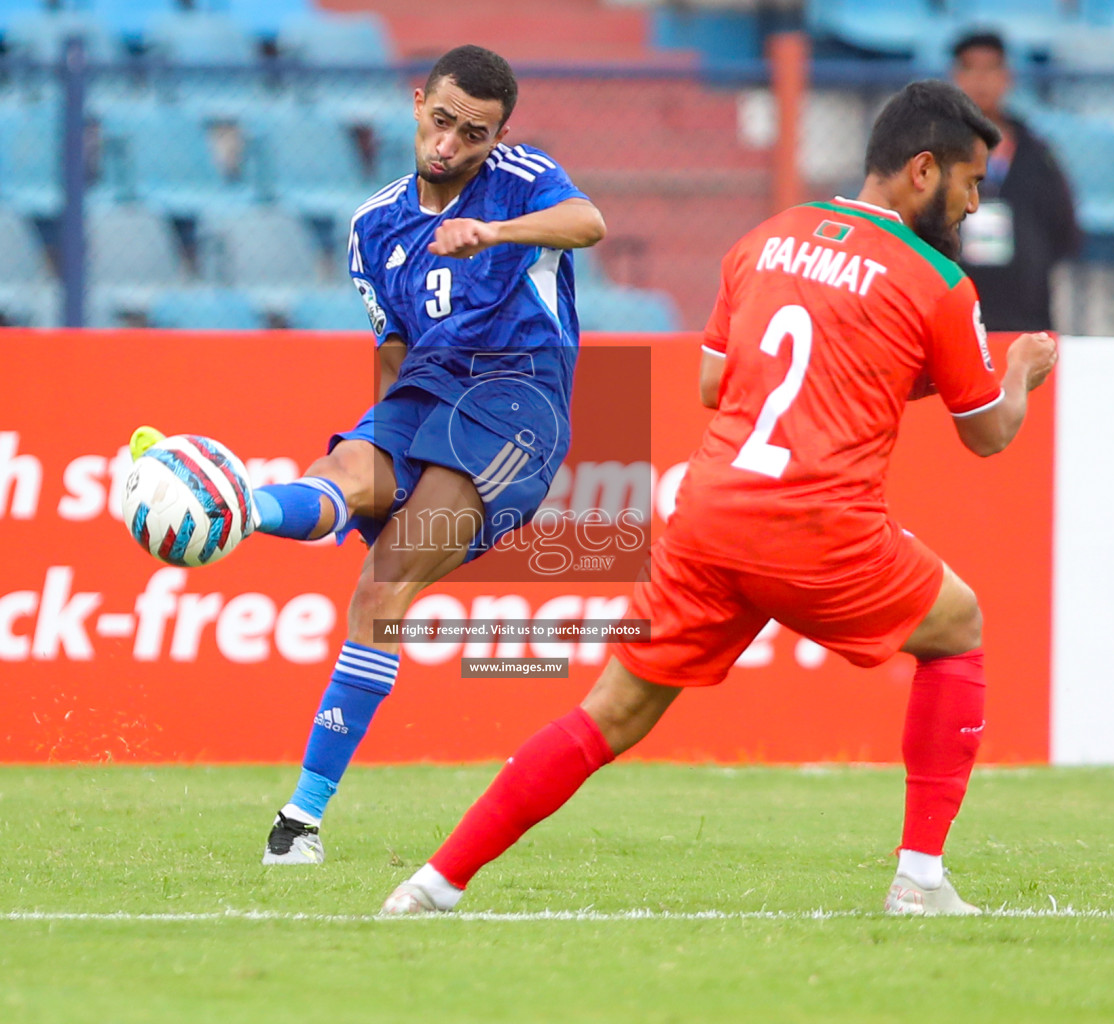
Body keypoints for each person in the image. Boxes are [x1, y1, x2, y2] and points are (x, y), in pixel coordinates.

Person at [379, 80, 1059, 917]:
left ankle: (433, 883)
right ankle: (919, 879)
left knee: (612, 713)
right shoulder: (937, 281)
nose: (972, 201)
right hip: (818, 524)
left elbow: (713, 381)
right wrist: (1020, 368)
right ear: (924, 170)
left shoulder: (767, 239)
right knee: (959, 631)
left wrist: (868, 376)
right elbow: (987, 433)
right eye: (970, 181)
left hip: (708, 515)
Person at [136, 45, 605, 866]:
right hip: (422, 390)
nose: (452, 143)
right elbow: (391, 351)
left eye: (476, 132)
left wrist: (490, 230)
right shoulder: (374, 227)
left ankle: (301, 819)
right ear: (418, 102)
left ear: (499, 135)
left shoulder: (523, 179)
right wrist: (381, 440)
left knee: (383, 583)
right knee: (345, 478)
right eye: (443, 120)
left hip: (515, 402)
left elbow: (589, 225)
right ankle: (235, 508)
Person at [950, 29, 1081, 331]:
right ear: (955, 78)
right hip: (957, 309)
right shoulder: (936, 153)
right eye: (970, 68)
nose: (980, 80)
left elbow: (1063, 227)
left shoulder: (1036, 152)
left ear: (1007, 77)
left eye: (991, 68)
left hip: (1025, 311)